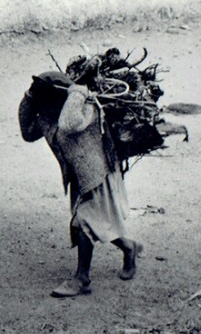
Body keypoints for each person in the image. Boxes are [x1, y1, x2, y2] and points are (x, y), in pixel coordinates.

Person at [18, 71, 142, 297]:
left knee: (84, 222)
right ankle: (128, 246)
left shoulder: (86, 106)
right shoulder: (47, 115)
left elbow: (69, 124)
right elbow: (27, 133)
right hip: (79, 178)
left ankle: (82, 278)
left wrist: (78, 91)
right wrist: (28, 97)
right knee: (93, 222)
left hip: (99, 174)